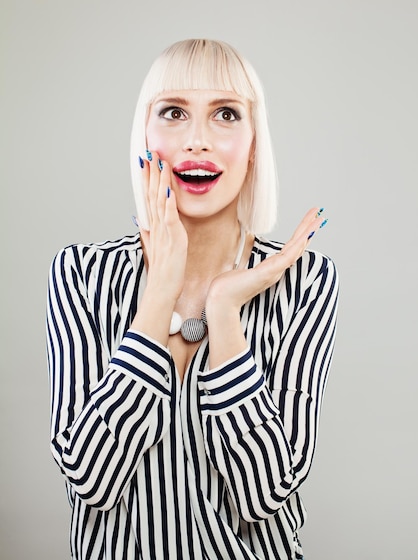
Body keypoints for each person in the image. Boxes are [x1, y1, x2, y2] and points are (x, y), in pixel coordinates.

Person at [46, 38, 338, 560]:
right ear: (144, 133)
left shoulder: (305, 280)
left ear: (253, 144)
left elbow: (264, 494)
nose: (197, 140)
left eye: (226, 114)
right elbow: (92, 479)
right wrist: (160, 296)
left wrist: (225, 312)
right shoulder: (81, 273)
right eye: (174, 112)